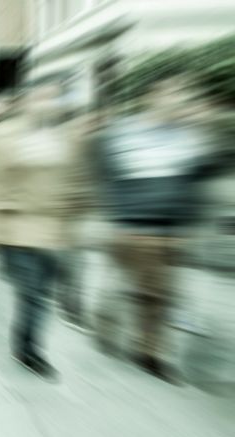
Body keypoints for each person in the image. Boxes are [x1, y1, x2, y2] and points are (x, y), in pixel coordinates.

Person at [92, 76, 213, 383]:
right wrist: (120, 220)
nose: (179, 103)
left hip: (170, 232)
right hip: (133, 228)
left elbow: (197, 182)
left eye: (183, 97)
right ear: (153, 96)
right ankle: (112, 324)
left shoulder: (189, 137)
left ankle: (148, 352)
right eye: (173, 95)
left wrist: (187, 227)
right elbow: (106, 178)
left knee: (159, 296)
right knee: (135, 291)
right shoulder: (124, 133)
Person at [0, 83, 90, 380]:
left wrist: (75, 219)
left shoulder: (66, 137)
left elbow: (74, 183)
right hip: (15, 230)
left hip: (53, 231)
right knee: (32, 292)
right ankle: (29, 349)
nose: (46, 104)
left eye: (51, 98)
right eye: (39, 98)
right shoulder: (1, 137)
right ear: (25, 102)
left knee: (40, 294)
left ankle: (24, 341)